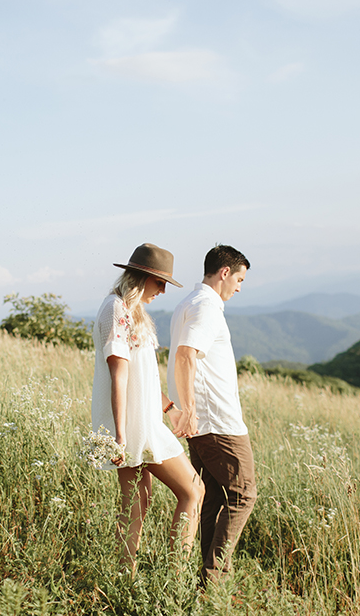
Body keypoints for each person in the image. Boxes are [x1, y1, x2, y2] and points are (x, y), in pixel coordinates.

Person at [91, 243, 205, 573]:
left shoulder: (130, 310)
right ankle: (176, 579)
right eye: (160, 283)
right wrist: (122, 434)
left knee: (135, 505)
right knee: (193, 489)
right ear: (143, 278)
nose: (164, 290)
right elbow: (119, 371)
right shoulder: (116, 309)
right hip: (134, 427)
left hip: (138, 422)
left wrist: (170, 409)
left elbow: (141, 377)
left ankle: (124, 580)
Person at [167, 244, 255, 584]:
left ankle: (199, 579)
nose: (239, 286)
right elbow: (187, 355)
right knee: (243, 494)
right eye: (239, 279)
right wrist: (188, 410)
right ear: (224, 272)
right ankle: (214, 579)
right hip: (217, 422)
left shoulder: (189, 303)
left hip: (204, 420)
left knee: (214, 496)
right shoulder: (206, 307)